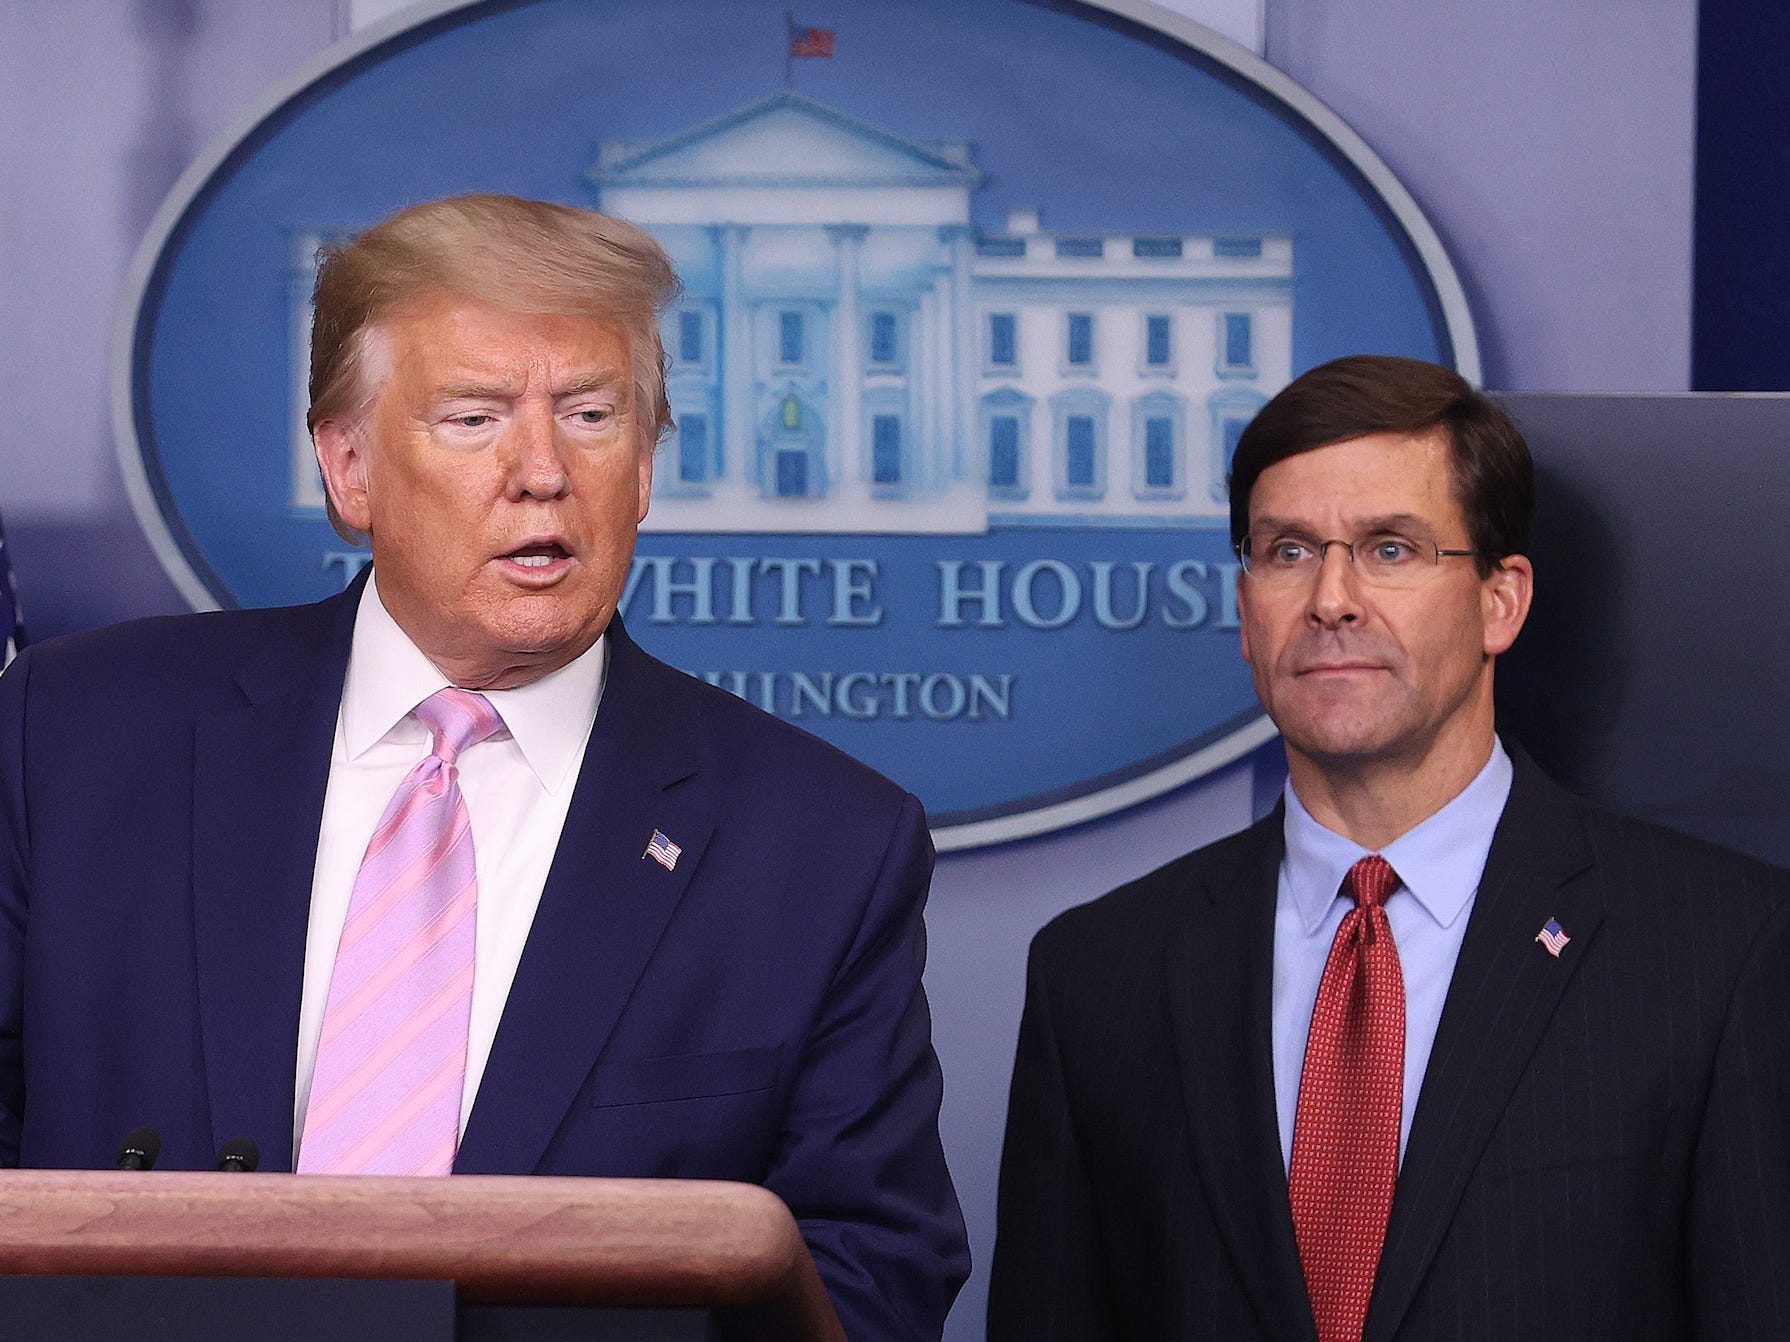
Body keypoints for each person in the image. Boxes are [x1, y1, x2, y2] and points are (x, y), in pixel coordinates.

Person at [0, 194, 968, 1340]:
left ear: (647, 469)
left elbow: (867, 1274)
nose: (541, 471)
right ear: (348, 467)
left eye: (594, 415)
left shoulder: (819, 844)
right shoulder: (73, 736)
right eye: (472, 418)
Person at [988, 354, 1790, 1341]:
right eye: (1286, 551)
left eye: (1389, 549)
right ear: (1243, 610)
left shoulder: (1717, 949)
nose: (1330, 598)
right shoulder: (1098, 973)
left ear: (1500, 600)